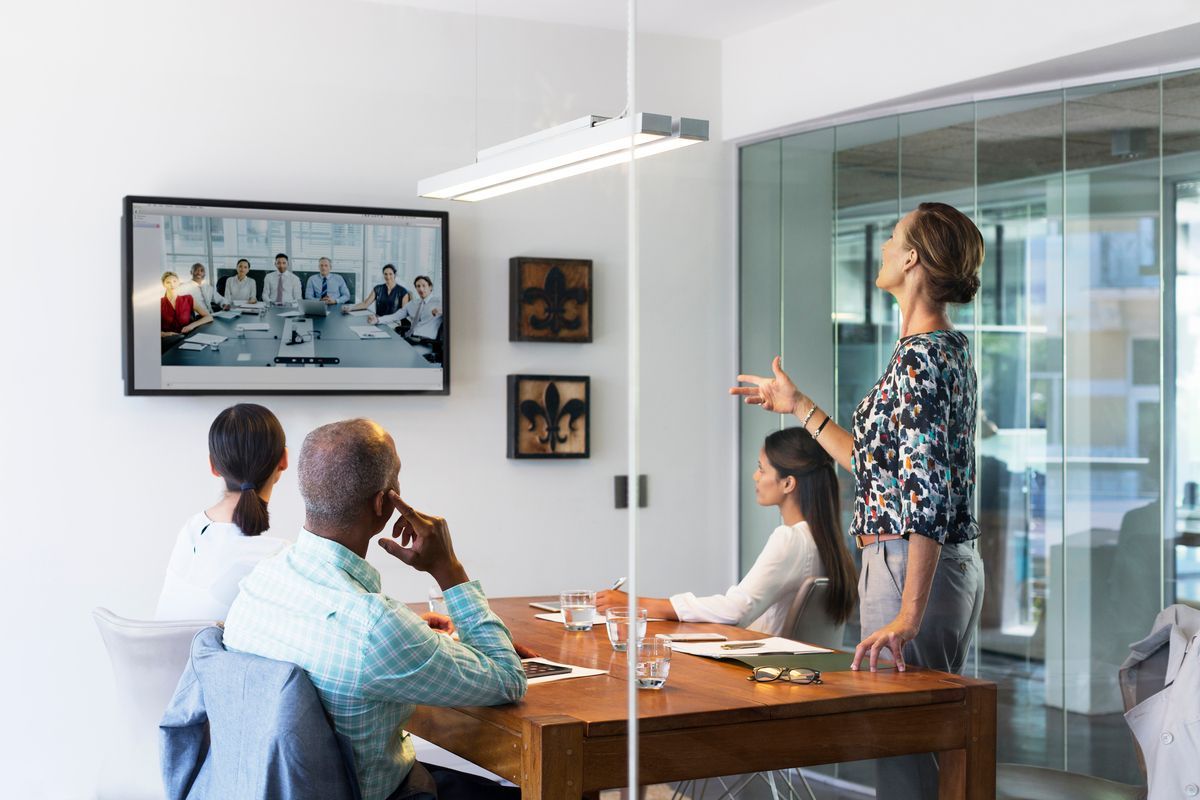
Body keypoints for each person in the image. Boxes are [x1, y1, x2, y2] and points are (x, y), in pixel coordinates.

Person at [732, 201, 985, 800]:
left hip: (908, 565)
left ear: (912, 259)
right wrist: (796, 405)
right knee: (914, 747)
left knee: (902, 750)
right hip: (923, 562)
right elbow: (874, 464)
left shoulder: (922, 358)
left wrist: (909, 613)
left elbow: (923, 496)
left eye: (893, 238)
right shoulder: (939, 350)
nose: (882, 248)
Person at [222, 419, 527, 800]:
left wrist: (408, 636)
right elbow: (507, 679)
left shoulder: (262, 581)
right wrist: (448, 569)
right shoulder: (376, 629)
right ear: (385, 504)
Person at [596, 427, 857, 637]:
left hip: (764, 675)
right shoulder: (826, 543)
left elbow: (736, 609)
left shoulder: (790, 539)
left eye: (762, 469)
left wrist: (636, 604)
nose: (755, 477)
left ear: (788, 483)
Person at [155, 404, 289, 620]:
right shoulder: (280, 557)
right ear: (284, 460)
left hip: (165, 654)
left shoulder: (192, 531)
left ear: (213, 466)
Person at [371, 275, 441, 340]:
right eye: (418, 286)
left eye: (424, 286)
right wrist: (378, 320)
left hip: (425, 341)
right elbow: (396, 316)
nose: (421, 289)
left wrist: (442, 310)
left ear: (430, 287)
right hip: (409, 337)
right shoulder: (413, 303)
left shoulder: (439, 302)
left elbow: (451, 311)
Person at [344, 263, 409, 317]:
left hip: (394, 323)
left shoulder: (403, 291)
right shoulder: (378, 288)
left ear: (395, 275)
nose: (388, 277)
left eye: (390, 274)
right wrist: (350, 308)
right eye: (385, 274)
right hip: (378, 320)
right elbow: (365, 304)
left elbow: (403, 313)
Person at [160, 270, 212, 338]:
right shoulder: (159, 303)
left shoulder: (188, 299)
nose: (172, 285)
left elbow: (209, 317)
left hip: (187, 338)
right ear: (164, 285)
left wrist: (192, 325)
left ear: (178, 282)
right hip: (168, 341)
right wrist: (165, 334)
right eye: (168, 282)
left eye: (174, 281)